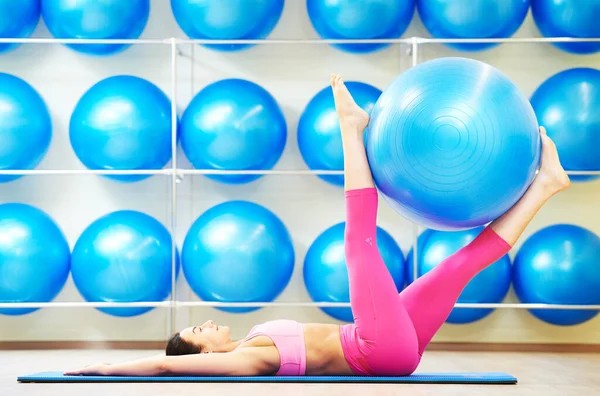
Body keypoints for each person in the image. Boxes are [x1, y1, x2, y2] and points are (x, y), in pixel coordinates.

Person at [65, 74, 570, 377]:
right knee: (359, 243)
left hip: (389, 343)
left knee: (459, 266)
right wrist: (106, 368)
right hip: (378, 351)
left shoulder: (249, 344)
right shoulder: (244, 363)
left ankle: (545, 185)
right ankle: (352, 130)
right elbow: (166, 365)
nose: (207, 322)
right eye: (199, 331)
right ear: (204, 353)